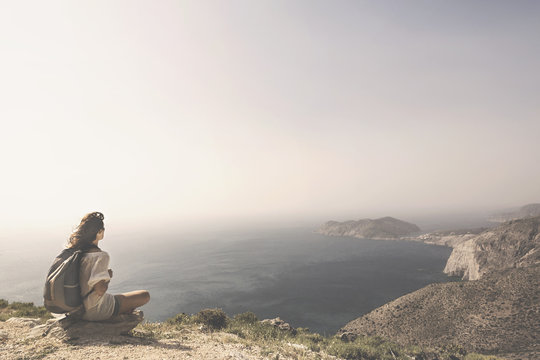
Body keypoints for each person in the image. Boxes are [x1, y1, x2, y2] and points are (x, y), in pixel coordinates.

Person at [67, 212, 150, 321]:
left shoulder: (74, 253)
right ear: (99, 232)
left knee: (119, 299)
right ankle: (117, 316)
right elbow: (100, 290)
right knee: (145, 295)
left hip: (74, 310)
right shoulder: (100, 256)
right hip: (93, 310)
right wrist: (107, 277)